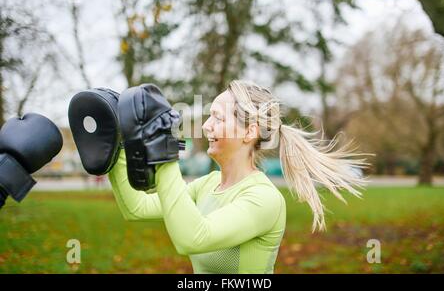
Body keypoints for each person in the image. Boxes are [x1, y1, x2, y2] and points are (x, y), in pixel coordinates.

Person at [70, 81, 368, 274]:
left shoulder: (264, 199)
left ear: (249, 132)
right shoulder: (208, 185)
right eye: (209, 116)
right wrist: (116, 149)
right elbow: (136, 208)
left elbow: (193, 238)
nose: (207, 126)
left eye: (218, 118)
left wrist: (165, 154)